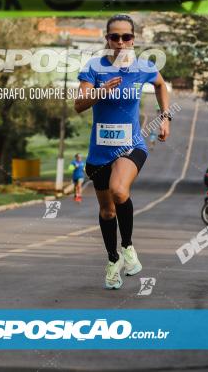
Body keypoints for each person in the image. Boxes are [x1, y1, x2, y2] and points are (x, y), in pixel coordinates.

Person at [74, 14, 171, 290]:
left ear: (133, 39)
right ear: (106, 39)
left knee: (119, 191)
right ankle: (112, 259)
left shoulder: (143, 67)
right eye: (114, 37)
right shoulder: (94, 67)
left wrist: (165, 117)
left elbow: (161, 85)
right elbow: (79, 105)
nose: (120, 42)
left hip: (131, 147)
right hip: (99, 153)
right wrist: (100, 91)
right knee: (106, 212)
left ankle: (128, 247)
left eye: (125, 37)